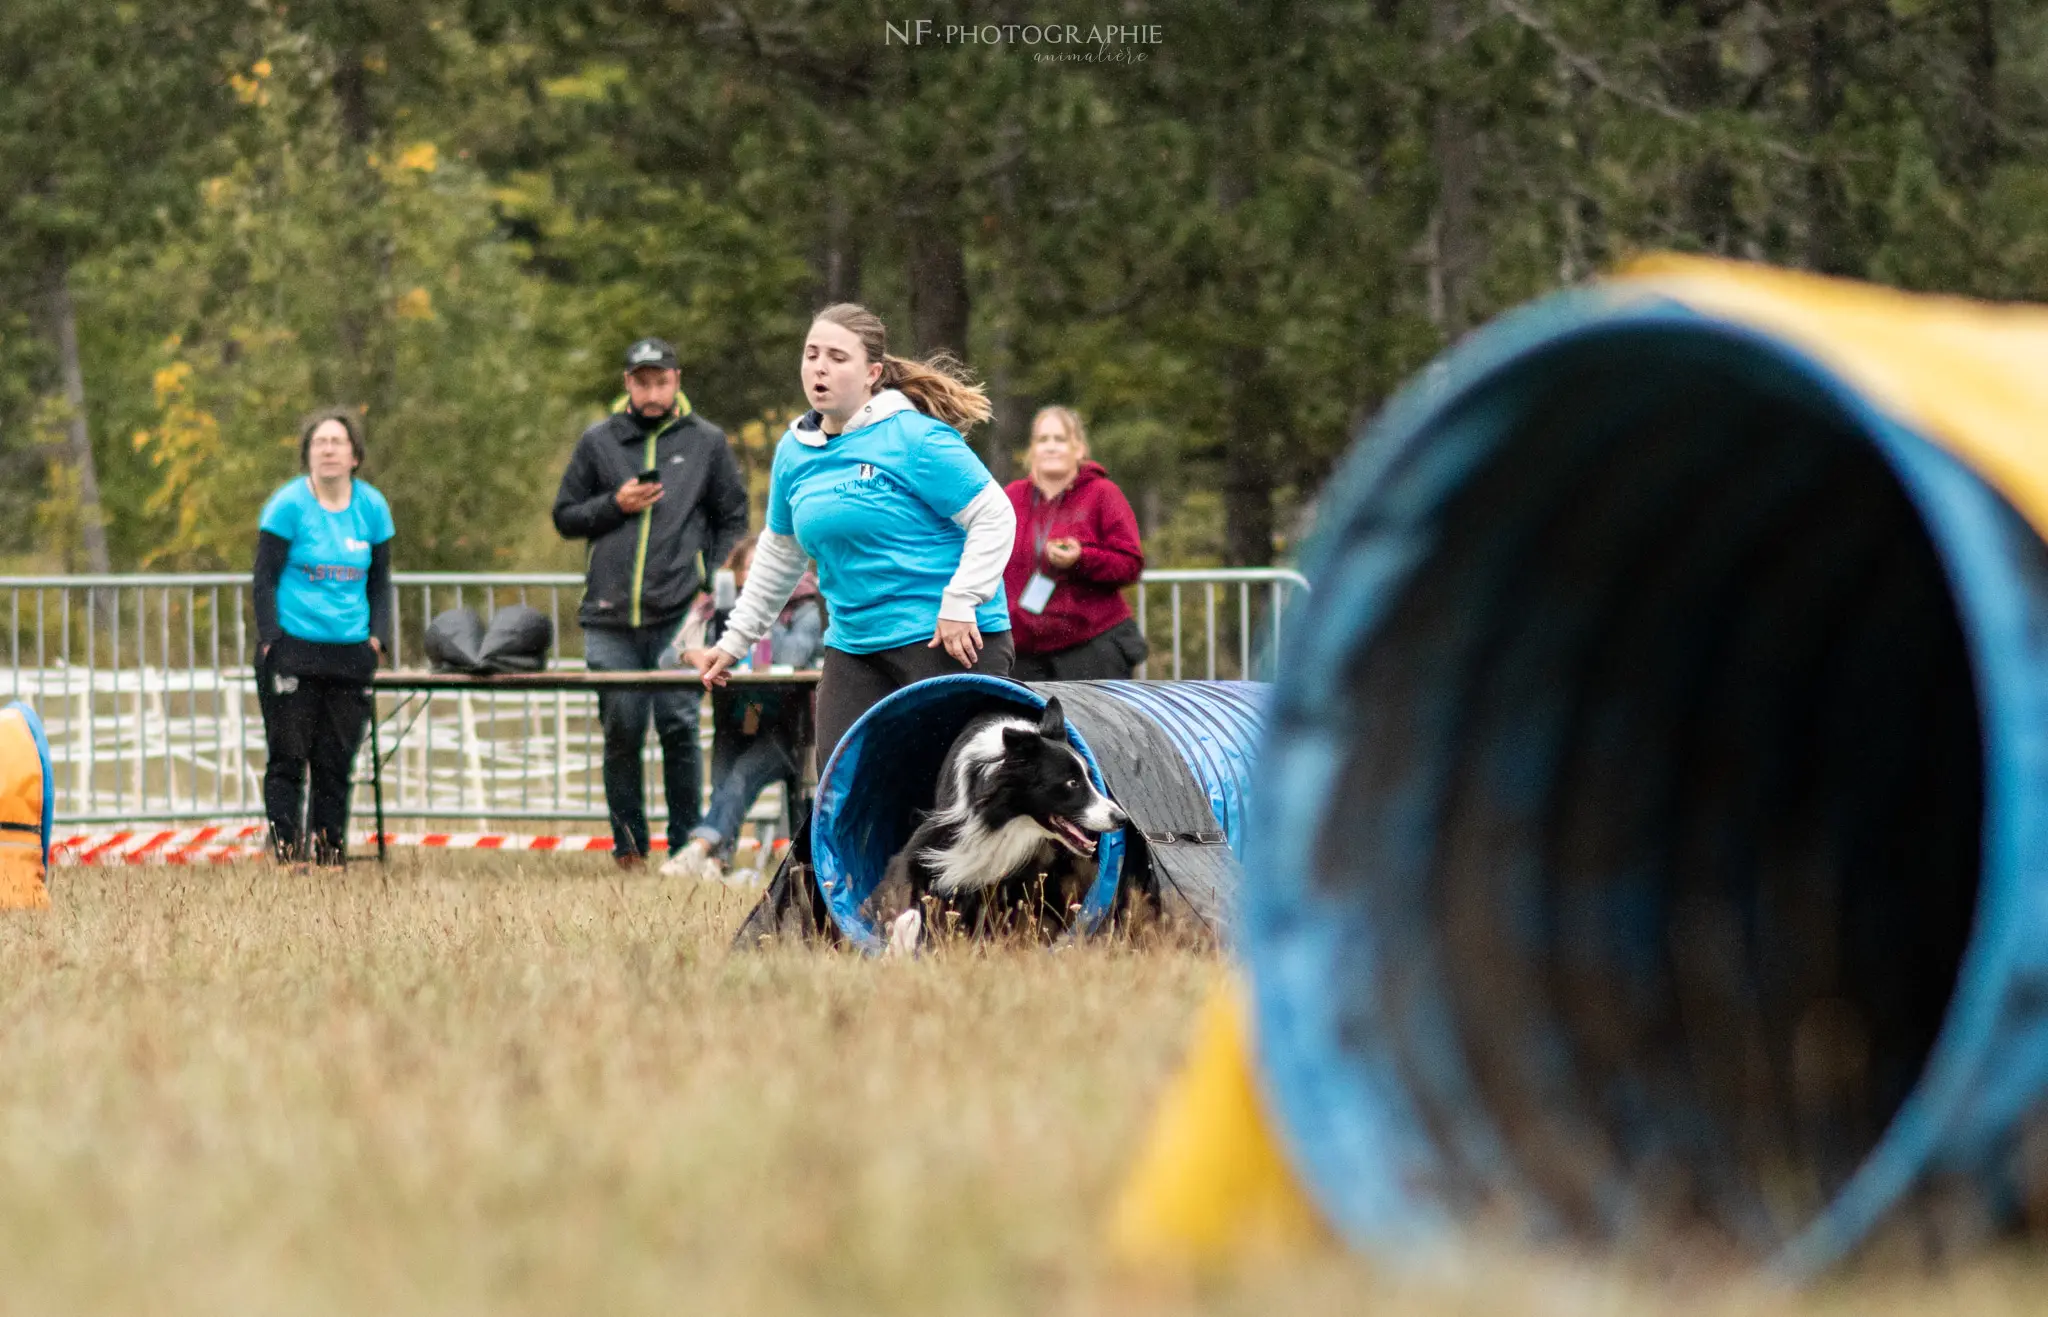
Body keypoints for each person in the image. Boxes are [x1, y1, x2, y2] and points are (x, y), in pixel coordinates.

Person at [683, 303, 1016, 766]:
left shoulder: (914, 437)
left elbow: (996, 516)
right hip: (856, 645)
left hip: (944, 639)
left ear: (872, 373)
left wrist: (962, 600)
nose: (820, 366)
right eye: (812, 354)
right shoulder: (793, 452)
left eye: (838, 358)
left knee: (942, 797)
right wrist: (735, 640)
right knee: (842, 785)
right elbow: (781, 556)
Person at [553, 337, 748, 871]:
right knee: (621, 730)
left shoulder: (707, 442)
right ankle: (629, 850)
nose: (653, 390)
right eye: (643, 381)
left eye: (662, 380)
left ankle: (686, 846)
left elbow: (734, 516)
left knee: (679, 729)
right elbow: (566, 516)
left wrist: (712, 575)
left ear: (677, 381)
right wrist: (613, 505)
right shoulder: (599, 441)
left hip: (679, 615)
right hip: (609, 616)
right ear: (628, 385)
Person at [252, 408, 394, 867]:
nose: (328, 449)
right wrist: (272, 638)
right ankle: (287, 851)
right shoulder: (288, 505)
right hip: (294, 647)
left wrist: (378, 638)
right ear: (308, 454)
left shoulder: (371, 507)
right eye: (319, 442)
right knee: (289, 756)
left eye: (337, 441)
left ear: (355, 455)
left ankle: (329, 852)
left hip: (350, 651)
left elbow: (381, 580)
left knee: (335, 762)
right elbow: (264, 577)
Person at [665, 534, 826, 882]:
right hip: (734, 721)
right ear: (736, 575)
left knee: (738, 780)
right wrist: (692, 654)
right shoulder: (715, 608)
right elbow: (671, 655)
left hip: (787, 727)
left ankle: (700, 848)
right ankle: (717, 862)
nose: (757, 576)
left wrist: (760, 613)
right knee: (724, 783)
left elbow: (794, 656)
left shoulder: (804, 607)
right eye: (750, 568)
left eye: (765, 569)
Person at [1003, 406, 1148, 680]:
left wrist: (1082, 559)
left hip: (1091, 643)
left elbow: (1130, 564)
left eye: (1060, 439)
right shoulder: (1011, 497)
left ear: (1079, 449)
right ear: (1032, 449)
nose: (1051, 447)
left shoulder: (1103, 494)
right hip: (1024, 648)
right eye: (1043, 440)